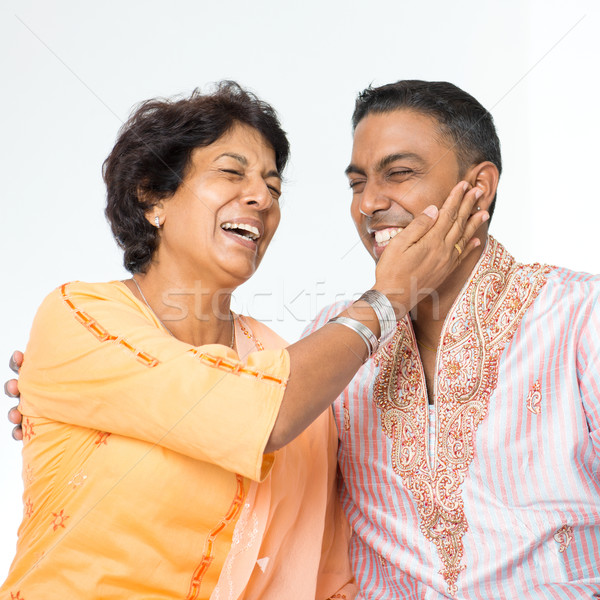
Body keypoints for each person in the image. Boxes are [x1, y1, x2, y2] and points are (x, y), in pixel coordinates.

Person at [0, 80, 485, 600]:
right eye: (231, 172)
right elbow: (261, 412)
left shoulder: (282, 358)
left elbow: (328, 570)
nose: (261, 198)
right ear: (151, 195)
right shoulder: (79, 316)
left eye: (273, 188)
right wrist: (391, 298)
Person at [302, 80, 600, 599]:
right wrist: (386, 303)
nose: (370, 203)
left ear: (479, 186)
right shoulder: (338, 337)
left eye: (399, 174)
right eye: (357, 183)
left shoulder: (578, 317)